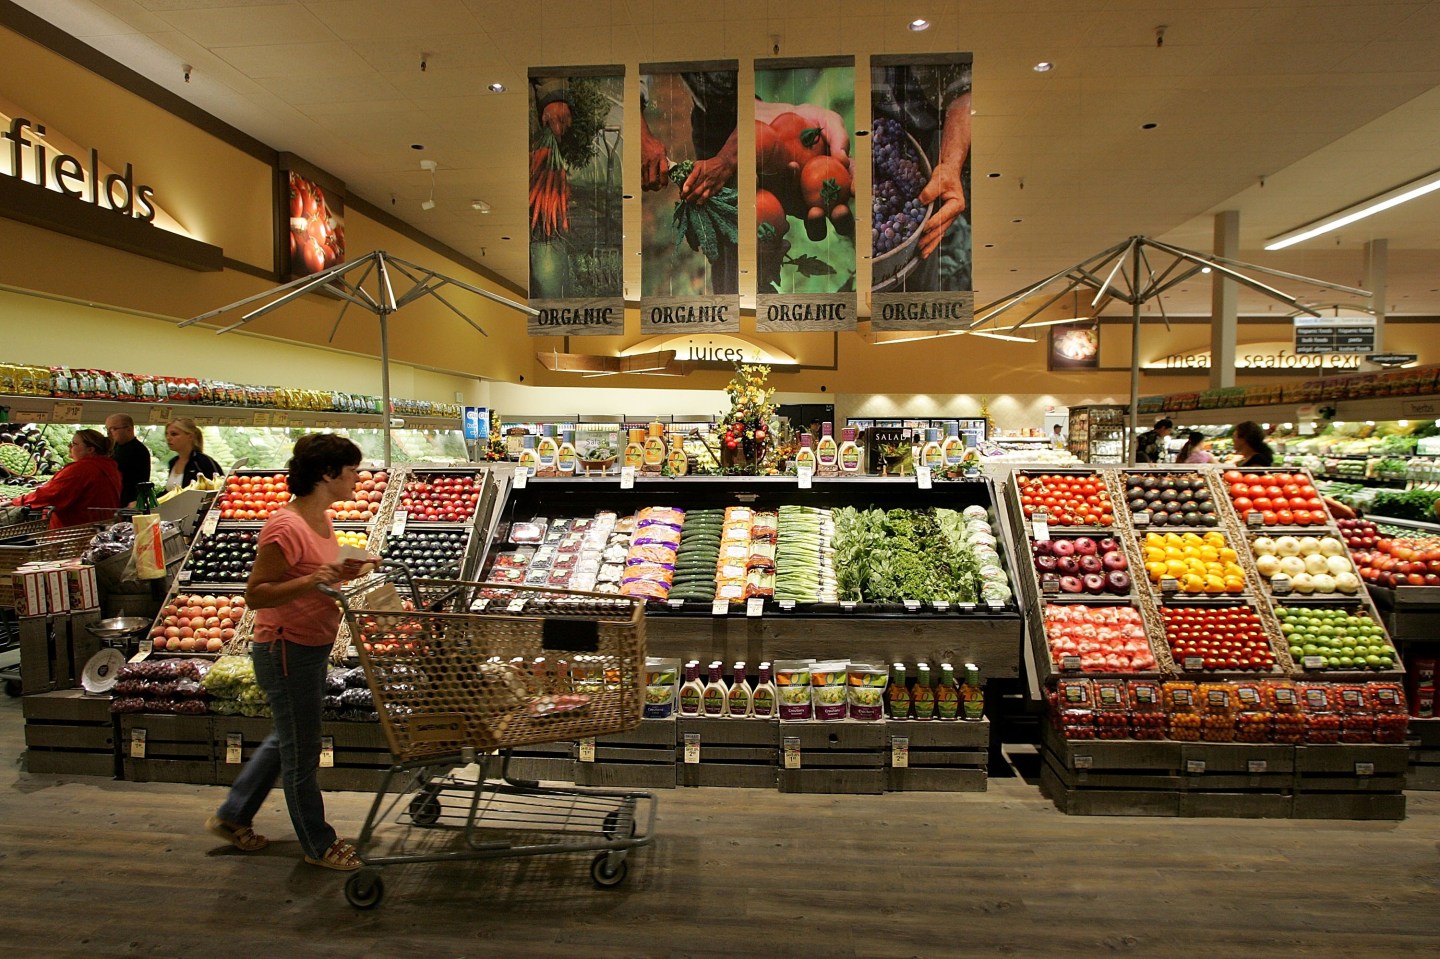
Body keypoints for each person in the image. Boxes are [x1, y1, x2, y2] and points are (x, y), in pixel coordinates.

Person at [207, 434, 376, 872]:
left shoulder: (319, 518)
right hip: (286, 647)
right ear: (328, 474)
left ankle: (234, 813)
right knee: (303, 750)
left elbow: (315, 574)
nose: (359, 477)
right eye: (352, 469)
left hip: (312, 644)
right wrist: (317, 576)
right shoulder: (286, 526)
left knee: (290, 735)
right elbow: (257, 594)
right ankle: (318, 843)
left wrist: (344, 568)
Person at [639, 71, 741, 294]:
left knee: (753, 242)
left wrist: (728, 159)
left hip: (752, 115)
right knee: (723, 249)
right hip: (710, 113)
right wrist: (640, 135)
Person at [9, 429, 121, 528]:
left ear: (90, 449)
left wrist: (18, 501)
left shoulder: (82, 468)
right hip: (98, 526)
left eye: (74, 444)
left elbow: (51, 494)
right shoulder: (109, 466)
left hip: (75, 530)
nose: (69, 447)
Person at [163, 417, 223, 491]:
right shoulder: (173, 462)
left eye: (174, 434)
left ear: (190, 436)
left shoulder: (203, 462)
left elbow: (220, 488)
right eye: (166, 434)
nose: (168, 438)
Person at [105, 413, 151, 508]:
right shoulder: (116, 447)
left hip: (129, 504)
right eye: (107, 429)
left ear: (129, 429)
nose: (109, 433)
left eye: (113, 429)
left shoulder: (137, 450)